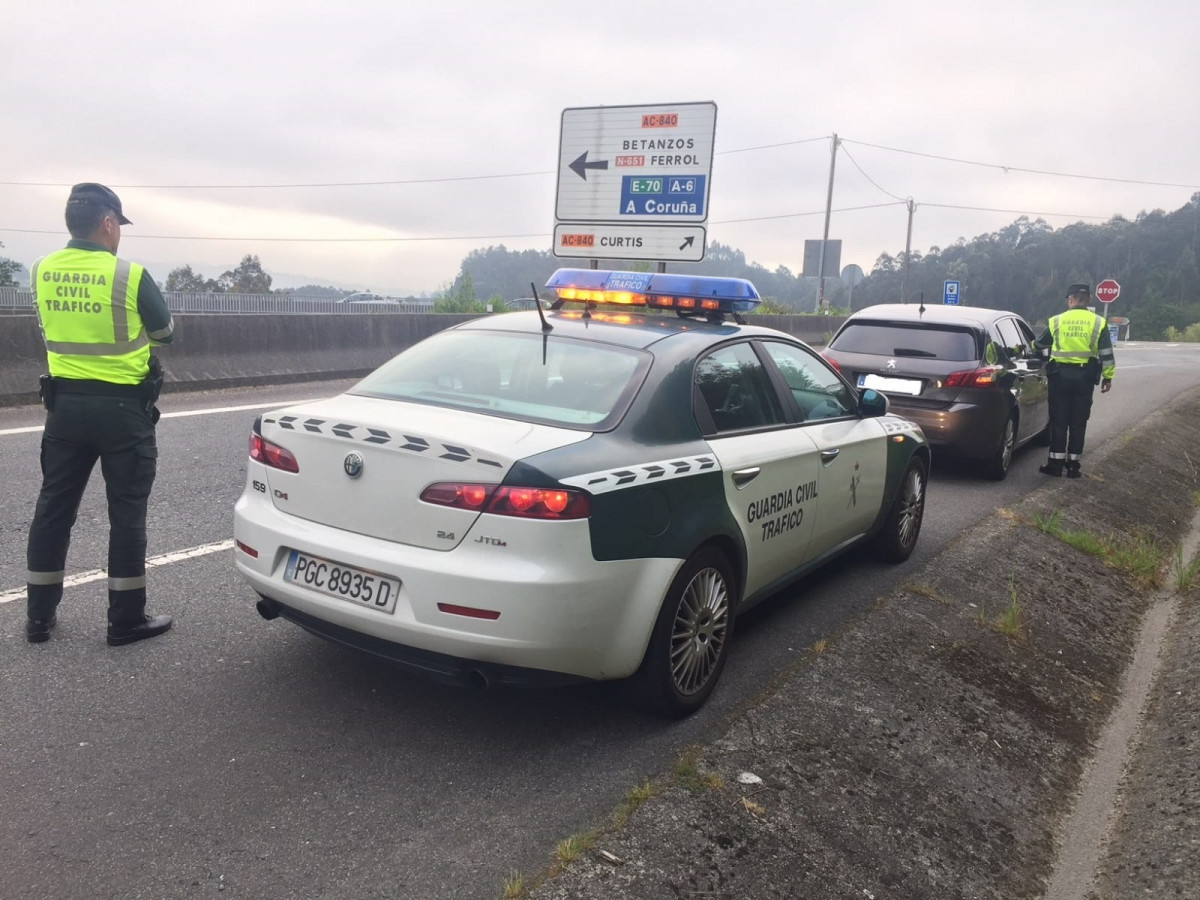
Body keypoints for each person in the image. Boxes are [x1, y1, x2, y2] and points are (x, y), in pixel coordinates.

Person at [25, 183, 175, 645]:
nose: (119, 236)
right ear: (108, 223)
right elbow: (164, 332)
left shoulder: (41, 269)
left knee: (53, 510)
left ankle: (38, 619)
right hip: (123, 413)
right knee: (126, 515)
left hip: (64, 410)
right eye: (119, 227)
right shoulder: (129, 275)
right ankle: (125, 620)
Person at [1033, 283, 1116, 479]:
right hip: (1085, 378)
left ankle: (1055, 464)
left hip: (1060, 377)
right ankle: (1073, 466)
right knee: (1079, 422)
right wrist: (1108, 376)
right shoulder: (1098, 322)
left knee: (1058, 421)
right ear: (1089, 300)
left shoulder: (1057, 321)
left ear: (1070, 299)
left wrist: (1028, 346)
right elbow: (1106, 354)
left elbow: (1041, 343)